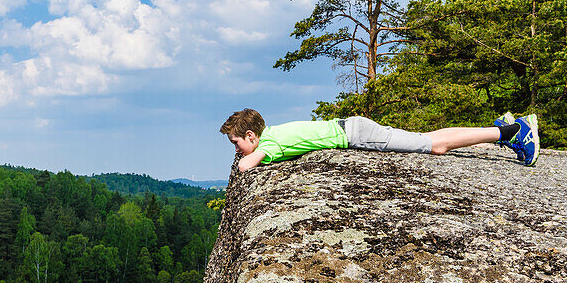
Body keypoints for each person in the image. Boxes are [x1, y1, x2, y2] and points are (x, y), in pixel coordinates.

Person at [221, 109, 540, 173]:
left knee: (436, 146)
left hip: (358, 136)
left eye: (236, 142)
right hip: (354, 127)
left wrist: (243, 160)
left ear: (252, 136)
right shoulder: (274, 132)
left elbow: (248, 164)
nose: (237, 150)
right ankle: (499, 128)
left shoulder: (269, 145)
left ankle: (511, 133)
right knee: (427, 138)